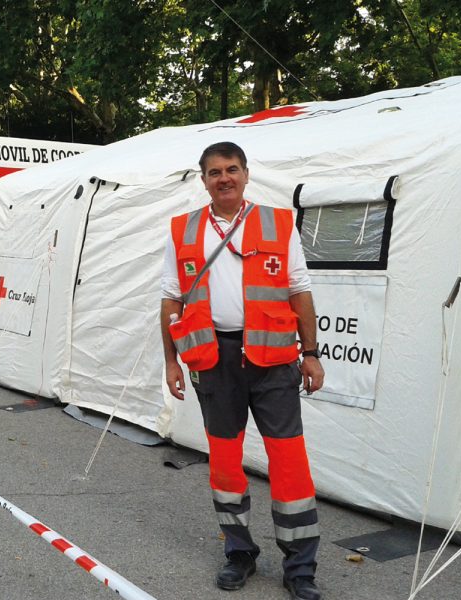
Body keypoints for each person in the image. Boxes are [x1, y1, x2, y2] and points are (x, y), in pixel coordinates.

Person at [160, 142, 325, 600]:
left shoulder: (277, 222)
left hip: (273, 363)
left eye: (232, 169)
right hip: (214, 361)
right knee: (226, 464)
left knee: (290, 465)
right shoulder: (183, 229)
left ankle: (300, 568)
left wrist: (310, 352)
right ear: (204, 180)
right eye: (214, 172)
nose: (224, 178)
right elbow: (171, 299)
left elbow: (300, 289)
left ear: (247, 174)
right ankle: (239, 553)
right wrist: (171, 361)